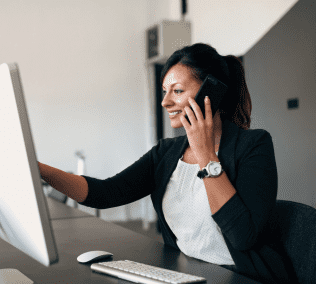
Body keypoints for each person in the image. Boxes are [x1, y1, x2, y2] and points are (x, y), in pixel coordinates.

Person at [38, 43, 297, 284]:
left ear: (213, 90)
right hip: (189, 274)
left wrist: (206, 155)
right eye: (165, 92)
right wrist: (38, 170)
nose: (165, 102)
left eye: (178, 91)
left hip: (244, 277)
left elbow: (243, 237)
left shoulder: (254, 146)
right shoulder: (165, 153)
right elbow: (105, 193)